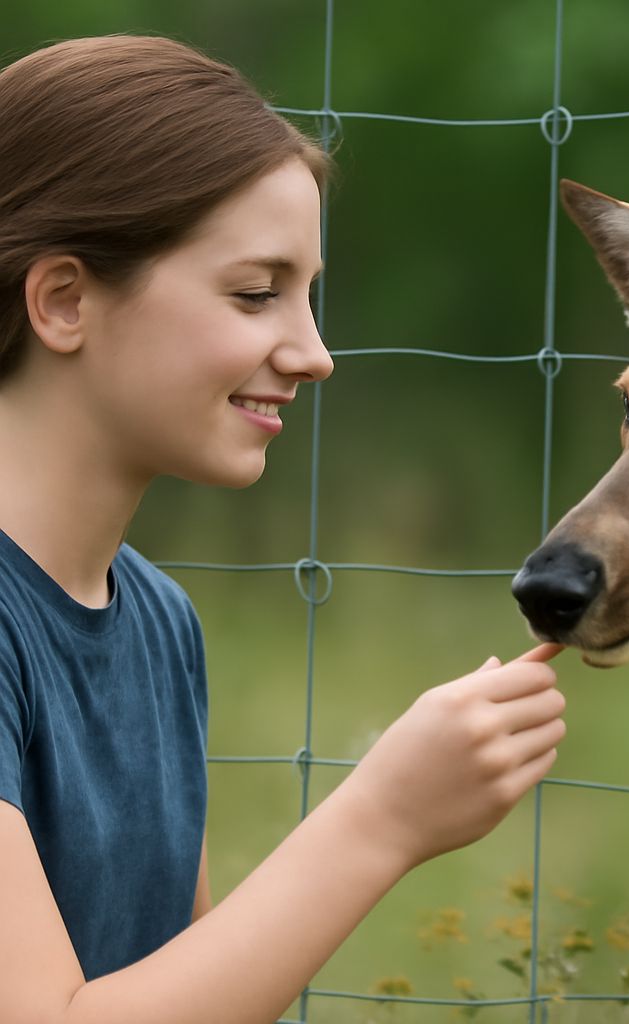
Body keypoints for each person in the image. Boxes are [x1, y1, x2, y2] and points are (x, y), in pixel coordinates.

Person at [0, 34, 565, 1022]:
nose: (312, 352)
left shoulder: (159, 622)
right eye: (256, 293)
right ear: (63, 299)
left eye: (309, 296)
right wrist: (381, 818)